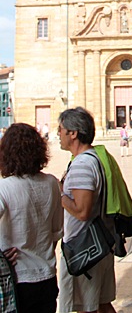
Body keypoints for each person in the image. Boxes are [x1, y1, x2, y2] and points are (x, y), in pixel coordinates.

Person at [58, 106, 117, 313]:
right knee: (102, 304)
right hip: (97, 244)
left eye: (61, 130)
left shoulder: (82, 164)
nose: (58, 134)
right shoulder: (93, 159)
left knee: (86, 307)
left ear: (73, 133)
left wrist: (61, 196)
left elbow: (82, 211)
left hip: (84, 248)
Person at [0, 123, 63, 312]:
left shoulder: (5, 188)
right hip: (47, 277)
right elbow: (56, 232)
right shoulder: (51, 183)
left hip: (16, 278)